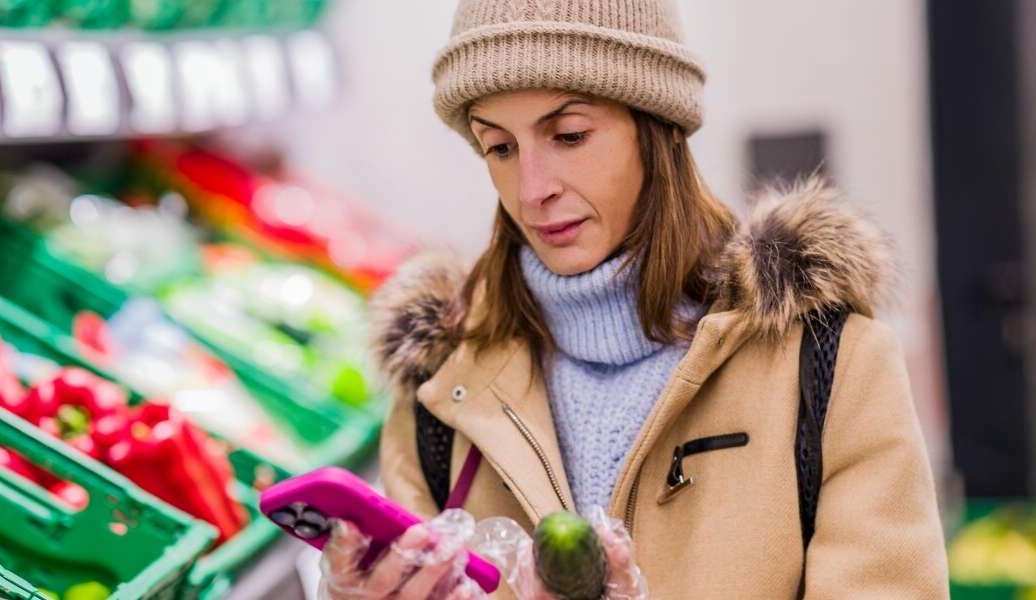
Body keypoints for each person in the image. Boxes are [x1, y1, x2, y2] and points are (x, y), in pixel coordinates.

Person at [322, 0, 950, 597]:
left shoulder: (828, 362)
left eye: (568, 135)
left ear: (656, 127)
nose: (532, 188)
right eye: (500, 147)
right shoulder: (441, 389)